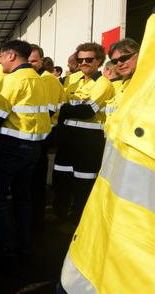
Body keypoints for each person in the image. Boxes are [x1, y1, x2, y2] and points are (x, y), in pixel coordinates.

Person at [61, 0, 155, 292]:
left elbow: (83, 109)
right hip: (89, 270)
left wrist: (71, 103)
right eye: (114, 58)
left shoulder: (109, 82)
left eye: (123, 58)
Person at [0, 40, 51, 269]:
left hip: (11, 148)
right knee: (23, 200)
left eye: (1, 56)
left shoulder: (13, 80)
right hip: (34, 149)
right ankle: (24, 248)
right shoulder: (39, 80)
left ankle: (5, 253)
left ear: (10, 56)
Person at [52, 43, 115, 223]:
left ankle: (79, 218)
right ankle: (60, 213)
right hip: (67, 137)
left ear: (99, 61)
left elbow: (87, 112)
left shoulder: (104, 84)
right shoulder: (73, 79)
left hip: (89, 141)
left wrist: (69, 107)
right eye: (80, 59)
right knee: (60, 176)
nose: (84, 62)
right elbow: (61, 106)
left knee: (83, 181)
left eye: (89, 59)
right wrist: (72, 106)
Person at [27, 44, 65, 227]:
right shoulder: (32, 78)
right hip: (34, 134)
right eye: (27, 60)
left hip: (44, 135)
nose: (30, 64)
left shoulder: (47, 79)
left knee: (37, 180)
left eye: (34, 60)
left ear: (42, 60)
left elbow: (47, 111)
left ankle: (37, 219)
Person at [104, 38, 140, 121]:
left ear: (139, 54)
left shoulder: (152, 82)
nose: (119, 64)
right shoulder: (122, 86)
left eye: (124, 58)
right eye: (114, 61)